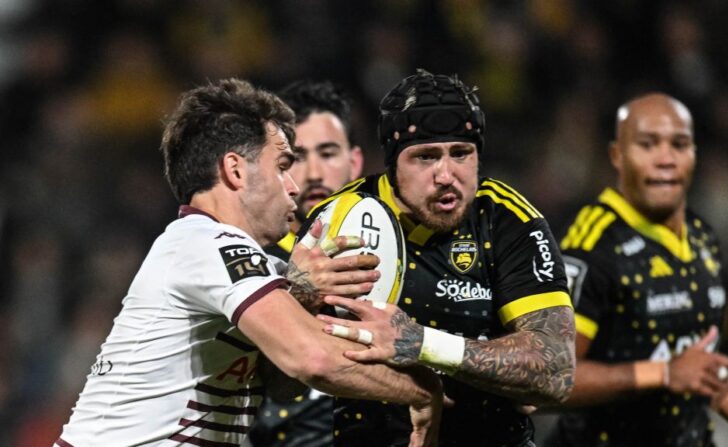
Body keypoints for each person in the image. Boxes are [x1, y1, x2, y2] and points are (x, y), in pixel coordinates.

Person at [54, 78, 443, 447]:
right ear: (235, 170)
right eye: (282, 165)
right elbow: (311, 359)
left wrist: (301, 296)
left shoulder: (230, 258)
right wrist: (422, 391)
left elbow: (283, 385)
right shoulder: (207, 242)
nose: (294, 186)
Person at [310, 69, 576, 446]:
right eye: (425, 157)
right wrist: (300, 289)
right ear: (392, 164)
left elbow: (557, 370)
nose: (446, 174)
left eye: (461, 154)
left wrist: (420, 343)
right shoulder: (341, 220)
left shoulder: (509, 220)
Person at [545, 93, 728, 446]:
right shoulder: (591, 245)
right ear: (617, 155)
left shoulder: (702, 238)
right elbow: (552, 379)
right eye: (648, 145)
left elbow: (698, 362)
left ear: (694, 154)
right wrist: (664, 374)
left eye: (678, 144)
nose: (665, 158)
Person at [246, 80, 363, 447]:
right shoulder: (247, 258)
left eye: (327, 153)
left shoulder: (396, 252)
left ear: (355, 162)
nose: (313, 173)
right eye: (296, 158)